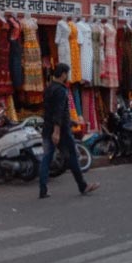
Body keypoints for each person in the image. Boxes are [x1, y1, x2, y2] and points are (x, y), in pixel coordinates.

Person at [38, 63, 100, 199]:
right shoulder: (60, 90)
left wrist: (71, 121)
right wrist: (57, 131)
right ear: (63, 74)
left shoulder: (49, 88)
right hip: (60, 131)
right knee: (72, 156)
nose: (67, 76)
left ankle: (43, 189)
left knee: (47, 158)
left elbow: (52, 111)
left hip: (48, 127)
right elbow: (59, 112)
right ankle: (82, 186)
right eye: (67, 73)